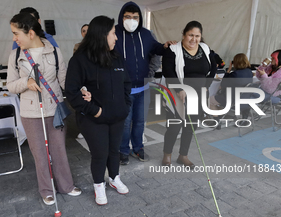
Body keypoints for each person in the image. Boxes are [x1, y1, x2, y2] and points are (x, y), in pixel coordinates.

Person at [7, 13, 82, 206]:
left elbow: (65, 81)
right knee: (39, 153)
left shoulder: (55, 52)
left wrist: (81, 89)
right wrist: (26, 82)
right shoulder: (15, 56)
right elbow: (10, 86)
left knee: (59, 151)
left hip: (55, 109)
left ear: (30, 33)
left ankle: (66, 186)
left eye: (16, 33)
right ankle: (46, 190)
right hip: (30, 113)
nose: (14, 38)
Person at [65, 16, 132, 205]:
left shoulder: (116, 56)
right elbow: (71, 92)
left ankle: (114, 178)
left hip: (118, 115)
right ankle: (98, 185)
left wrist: (125, 105)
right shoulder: (80, 60)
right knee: (100, 153)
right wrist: (94, 111)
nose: (116, 38)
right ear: (102, 35)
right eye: (113, 33)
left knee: (114, 150)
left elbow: (126, 83)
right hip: (94, 118)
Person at [115, 1, 175, 165]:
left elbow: (156, 48)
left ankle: (138, 148)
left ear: (140, 18)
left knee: (140, 121)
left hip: (143, 88)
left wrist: (165, 45)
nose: (131, 20)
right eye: (128, 17)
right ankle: (123, 151)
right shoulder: (115, 33)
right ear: (122, 17)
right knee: (125, 123)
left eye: (135, 17)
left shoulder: (146, 34)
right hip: (123, 90)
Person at [162, 20, 216, 167]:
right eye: (190, 35)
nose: (194, 39)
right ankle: (167, 154)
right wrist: (179, 89)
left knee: (190, 126)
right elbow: (168, 72)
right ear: (184, 34)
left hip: (199, 94)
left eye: (197, 36)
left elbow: (213, 68)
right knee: (174, 126)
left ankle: (183, 155)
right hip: (178, 95)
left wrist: (206, 86)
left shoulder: (205, 48)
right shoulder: (173, 50)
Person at [241, 49, 281, 123]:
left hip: (273, 96)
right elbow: (259, 77)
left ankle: (242, 114)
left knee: (246, 90)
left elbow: (270, 88)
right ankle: (244, 116)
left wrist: (264, 76)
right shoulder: (272, 67)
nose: (271, 60)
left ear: (279, 59)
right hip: (266, 92)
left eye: (273, 58)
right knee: (247, 93)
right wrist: (263, 67)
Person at [209, 53, 253, 129]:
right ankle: (220, 114)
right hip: (245, 99)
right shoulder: (249, 72)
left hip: (232, 99)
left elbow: (222, 85)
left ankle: (216, 121)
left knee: (209, 100)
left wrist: (228, 70)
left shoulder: (235, 74)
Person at [73, 24, 89, 140]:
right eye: (83, 31)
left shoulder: (98, 46)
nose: (85, 32)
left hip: (93, 80)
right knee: (82, 105)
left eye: (87, 30)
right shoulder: (78, 46)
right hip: (82, 79)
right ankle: (83, 129)